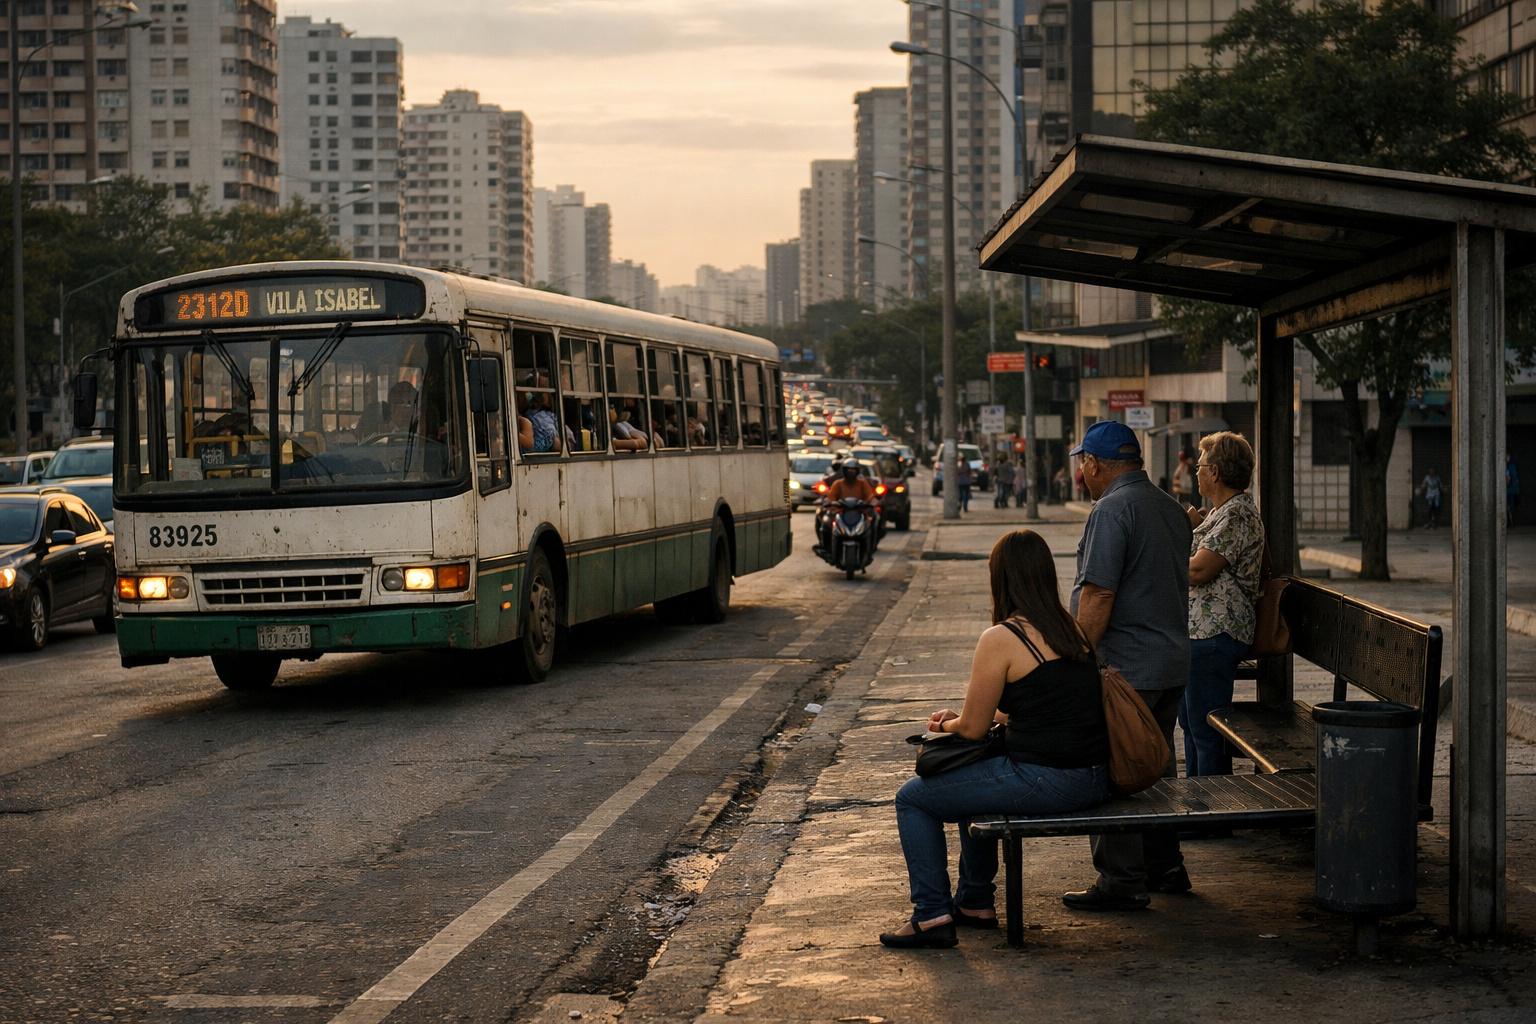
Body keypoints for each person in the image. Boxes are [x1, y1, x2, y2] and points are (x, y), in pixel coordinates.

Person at [878, 530, 1111, 948]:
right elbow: (1044, 704)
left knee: (912, 798)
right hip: (1093, 776)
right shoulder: (1069, 628)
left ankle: (931, 915)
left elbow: (971, 729)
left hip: (1048, 779)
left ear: (1000, 578)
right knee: (976, 778)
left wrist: (944, 725)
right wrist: (978, 717)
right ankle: (974, 901)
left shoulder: (1002, 637)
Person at [1066, 420, 1193, 911]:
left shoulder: (1111, 509)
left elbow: (1098, 593)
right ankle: (1166, 866)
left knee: (1118, 768)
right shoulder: (1168, 507)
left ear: (1096, 465)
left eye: (1084, 465)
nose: (1083, 473)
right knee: (1157, 767)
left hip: (1126, 669)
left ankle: (1121, 880)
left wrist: (1078, 655)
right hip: (1172, 661)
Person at [1178, 432, 1264, 778]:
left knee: (1205, 727)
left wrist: (1160, 561)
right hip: (1200, 635)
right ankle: (1197, 803)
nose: (1195, 473)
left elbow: (1199, 570)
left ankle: (1211, 810)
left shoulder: (1237, 514)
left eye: (1200, 466)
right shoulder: (1221, 512)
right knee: (1191, 721)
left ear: (1214, 472)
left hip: (1216, 635)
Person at [818, 458, 876, 553]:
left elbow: (870, 497)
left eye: (853, 470)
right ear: (844, 471)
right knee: (826, 523)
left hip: (860, 512)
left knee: (874, 519)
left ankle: (870, 548)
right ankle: (827, 548)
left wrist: (871, 503)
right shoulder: (838, 483)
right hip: (841, 512)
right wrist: (833, 504)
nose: (850, 473)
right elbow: (831, 497)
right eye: (848, 470)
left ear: (857, 472)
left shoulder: (863, 483)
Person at [1509, 454, 1520, 528]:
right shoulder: (1511, 467)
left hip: (1511, 490)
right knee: (1510, 506)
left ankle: (1510, 522)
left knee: (1510, 506)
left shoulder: (1511, 467)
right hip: (1511, 490)